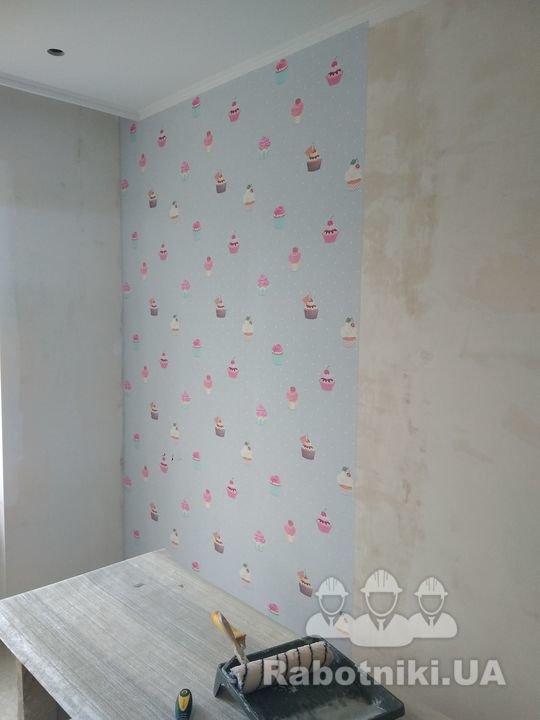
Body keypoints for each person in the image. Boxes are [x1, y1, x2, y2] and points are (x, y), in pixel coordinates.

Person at [351, 570, 413, 647]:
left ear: (395, 597)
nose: (381, 600)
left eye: (387, 595)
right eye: (375, 595)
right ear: (367, 597)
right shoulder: (358, 625)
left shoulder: (404, 625)